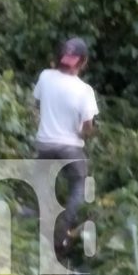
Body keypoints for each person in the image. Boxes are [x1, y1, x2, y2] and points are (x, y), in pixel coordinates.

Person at [33, 37, 99, 260]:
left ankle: (41, 224)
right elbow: (88, 127)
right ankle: (62, 234)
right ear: (83, 62)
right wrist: (84, 134)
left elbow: (37, 105)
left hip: (44, 143)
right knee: (78, 185)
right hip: (70, 147)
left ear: (61, 59)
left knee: (43, 184)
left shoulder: (45, 77)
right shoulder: (84, 90)